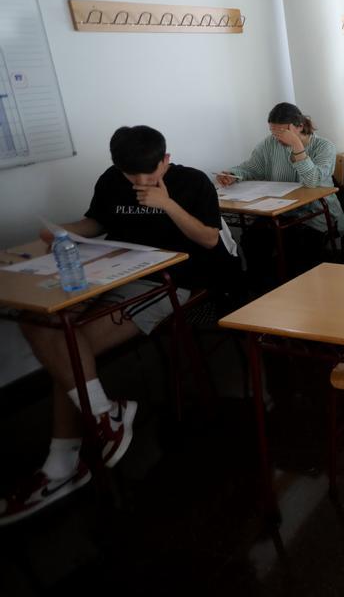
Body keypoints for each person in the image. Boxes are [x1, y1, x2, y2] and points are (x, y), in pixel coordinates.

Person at [3, 126, 239, 525]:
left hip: (175, 279)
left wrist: (166, 204)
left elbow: (209, 240)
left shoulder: (192, 182)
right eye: (133, 177)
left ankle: (61, 464)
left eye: (151, 173)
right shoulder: (112, 181)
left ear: (166, 159)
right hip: (114, 270)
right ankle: (102, 414)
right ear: (118, 168)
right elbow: (96, 222)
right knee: (38, 321)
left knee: (68, 352)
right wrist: (64, 232)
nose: (142, 183)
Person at [217, 102, 344, 283]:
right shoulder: (269, 144)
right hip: (280, 212)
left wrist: (297, 146)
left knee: (297, 246)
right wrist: (232, 175)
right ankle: (263, 289)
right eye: (273, 132)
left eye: (282, 132)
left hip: (315, 214)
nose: (277, 137)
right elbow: (251, 168)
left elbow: (312, 181)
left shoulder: (324, 147)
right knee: (252, 240)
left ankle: (300, 288)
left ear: (299, 126)